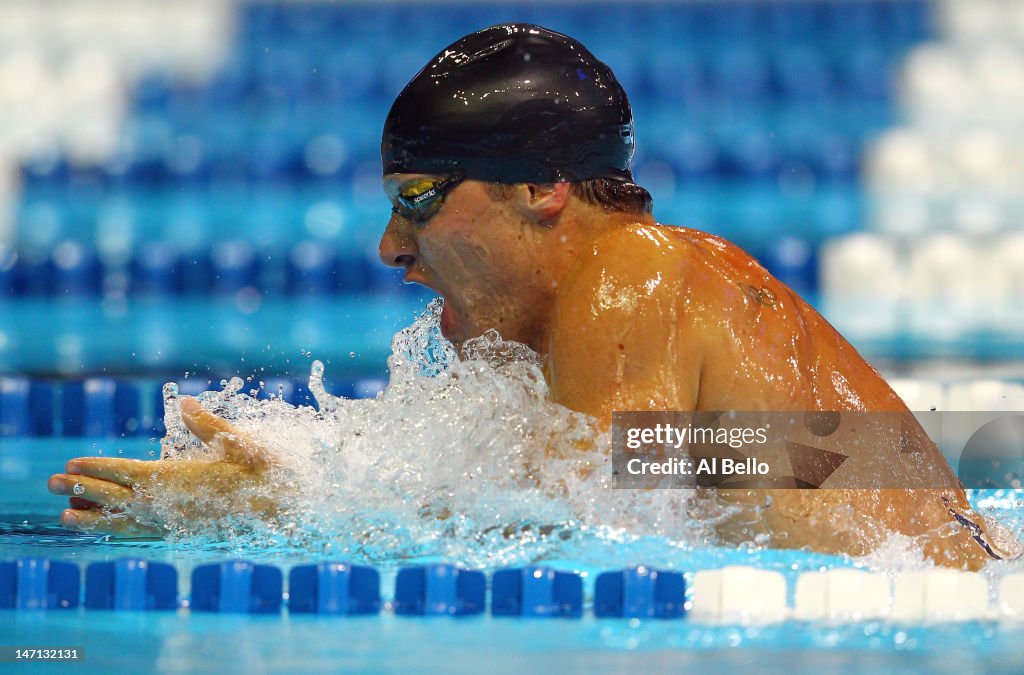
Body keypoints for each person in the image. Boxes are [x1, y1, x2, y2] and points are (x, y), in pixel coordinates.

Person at [48, 24, 1014, 568]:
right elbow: (629, 485)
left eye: (417, 201)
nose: (392, 249)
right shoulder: (672, 307)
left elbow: (579, 536)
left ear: (543, 185)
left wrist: (277, 505)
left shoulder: (629, 275)